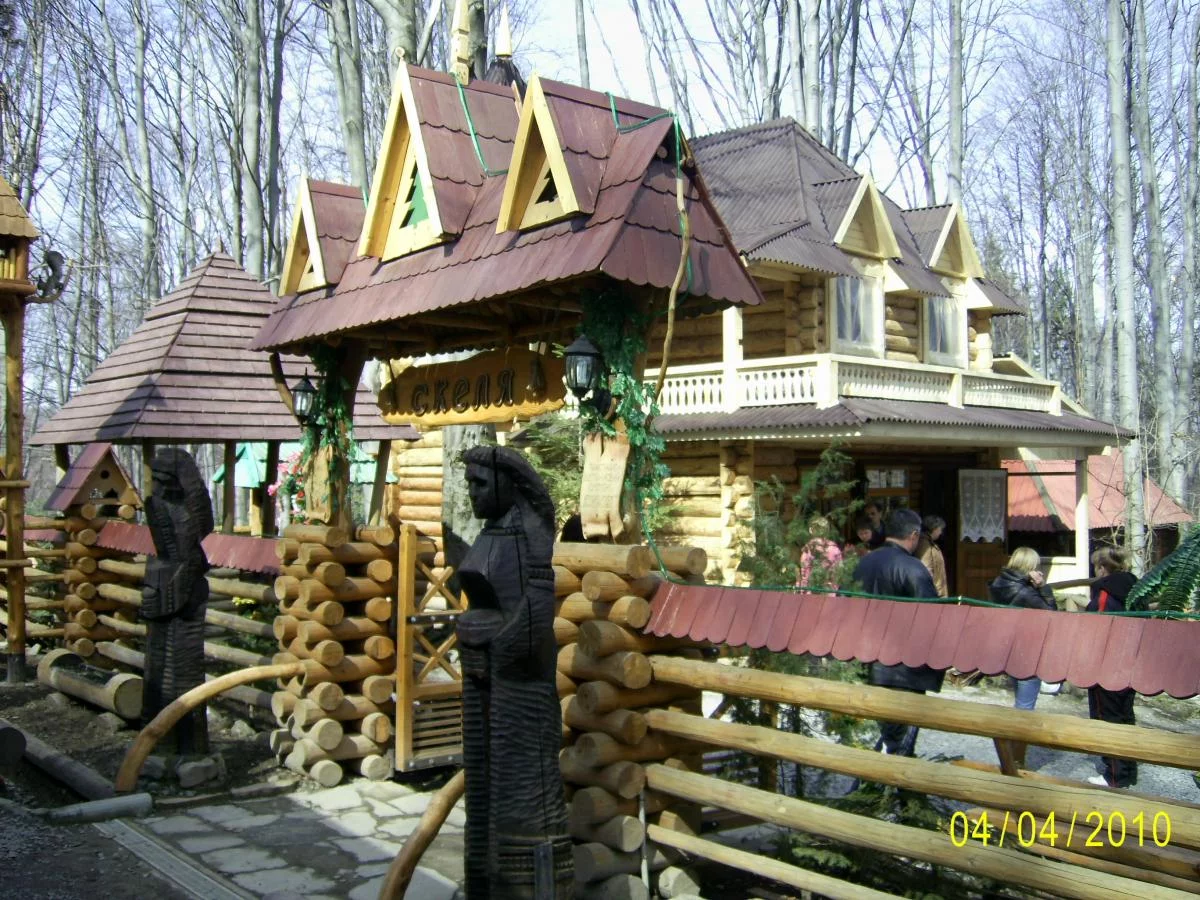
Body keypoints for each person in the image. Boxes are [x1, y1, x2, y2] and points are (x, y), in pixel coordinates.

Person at [853, 508, 942, 756]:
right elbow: (931, 617)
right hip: (905, 670)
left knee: (884, 737)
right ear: (913, 535)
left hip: (865, 661)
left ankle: (874, 776)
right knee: (900, 746)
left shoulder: (862, 564)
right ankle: (891, 780)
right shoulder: (913, 568)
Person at [1085, 546, 1139, 788]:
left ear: (1101, 567)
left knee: (1107, 719)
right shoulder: (1134, 589)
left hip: (1106, 666)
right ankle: (1127, 772)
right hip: (1129, 663)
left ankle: (1114, 775)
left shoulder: (1106, 594)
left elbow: (1098, 631)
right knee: (1125, 717)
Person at [988, 547, 1056, 716]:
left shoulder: (998, 583)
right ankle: (1018, 733)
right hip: (1028, 650)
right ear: (1029, 566)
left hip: (1008, 646)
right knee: (1025, 707)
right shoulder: (1026, 592)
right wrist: (1043, 587)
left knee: (1020, 698)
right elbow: (1052, 613)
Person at [797, 516, 843, 591]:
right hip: (829, 591)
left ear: (812, 530)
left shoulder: (807, 549)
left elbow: (804, 572)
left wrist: (803, 588)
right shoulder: (835, 549)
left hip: (809, 591)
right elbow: (839, 573)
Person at [915, 515, 948, 598]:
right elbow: (925, 569)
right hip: (933, 594)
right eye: (940, 529)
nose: (940, 532)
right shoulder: (924, 545)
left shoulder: (928, 542)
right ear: (935, 528)